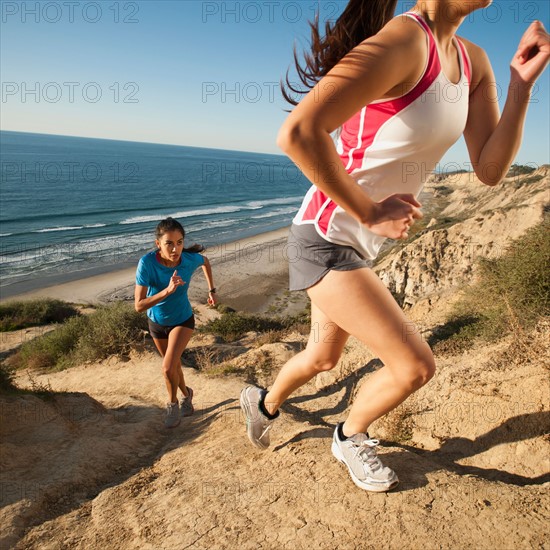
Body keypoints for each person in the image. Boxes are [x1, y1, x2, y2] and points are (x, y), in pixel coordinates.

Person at [240, 0, 549, 492]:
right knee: (414, 366)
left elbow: (490, 172)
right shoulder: (405, 40)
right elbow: (298, 133)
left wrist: (520, 87)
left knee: (322, 359)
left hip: (360, 246)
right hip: (324, 236)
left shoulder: (475, 60)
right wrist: (368, 211)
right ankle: (349, 435)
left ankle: (260, 402)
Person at [135, 217, 217, 428]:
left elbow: (205, 261)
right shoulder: (147, 264)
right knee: (173, 366)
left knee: (166, 367)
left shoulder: (188, 260)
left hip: (182, 320)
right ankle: (187, 394)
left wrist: (212, 290)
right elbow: (139, 305)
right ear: (158, 244)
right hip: (156, 322)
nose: (175, 248)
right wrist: (167, 291)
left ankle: (173, 405)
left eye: (179, 242)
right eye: (169, 243)